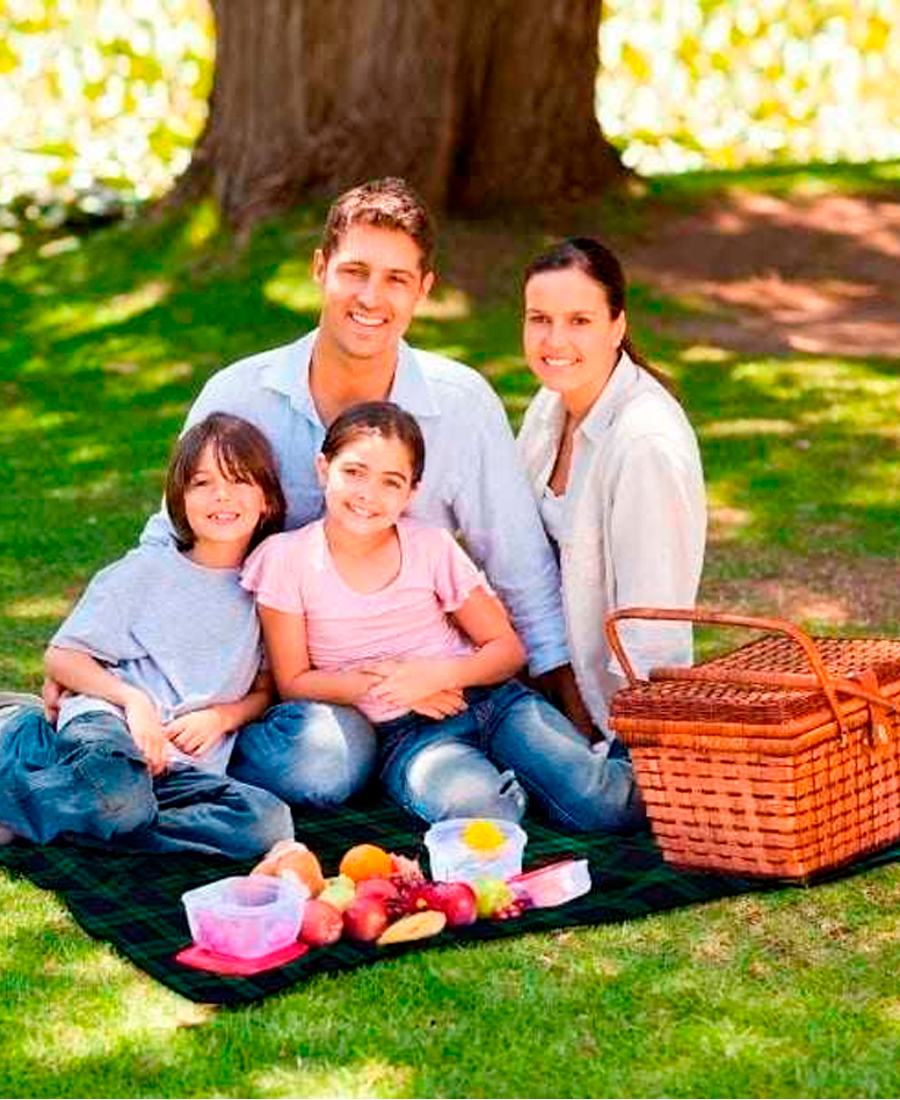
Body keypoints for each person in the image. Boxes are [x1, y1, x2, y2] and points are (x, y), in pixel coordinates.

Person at [131, 176, 570, 807]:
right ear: (320, 270)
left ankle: (431, 755)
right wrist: (113, 666)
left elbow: (519, 561)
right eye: (354, 271)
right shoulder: (238, 394)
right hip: (277, 680)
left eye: (396, 278)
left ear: (424, 290)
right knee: (323, 765)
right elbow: (170, 536)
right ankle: (245, 749)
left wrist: (573, 708)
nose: (371, 296)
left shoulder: (461, 402)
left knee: (353, 759)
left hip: (424, 669)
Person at [240, 401, 642, 831]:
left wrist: (438, 676)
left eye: (390, 482)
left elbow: (506, 650)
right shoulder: (285, 559)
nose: (368, 495)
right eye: (354, 472)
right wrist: (399, 689)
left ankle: (644, 761)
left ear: (412, 492)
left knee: (602, 805)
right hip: (409, 740)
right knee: (482, 817)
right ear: (324, 468)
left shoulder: (431, 547)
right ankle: (519, 789)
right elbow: (294, 681)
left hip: (494, 704)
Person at [0, 414, 294, 858]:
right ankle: (39, 758)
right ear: (180, 498)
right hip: (112, 728)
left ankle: (58, 811)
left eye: (239, 481)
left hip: (179, 767)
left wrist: (223, 717)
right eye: (202, 482)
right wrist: (134, 703)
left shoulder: (268, 590)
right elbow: (62, 658)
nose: (221, 495)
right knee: (118, 796)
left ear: (267, 500)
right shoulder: (146, 571)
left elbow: (266, 689)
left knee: (266, 822)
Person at [517, 236, 707, 737]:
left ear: (617, 326)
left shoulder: (646, 443)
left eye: (579, 321)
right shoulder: (549, 405)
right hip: (543, 671)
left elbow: (653, 621)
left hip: (611, 712)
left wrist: (636, 743)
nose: (554, 341)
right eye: (540, 319)